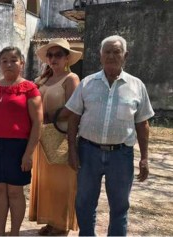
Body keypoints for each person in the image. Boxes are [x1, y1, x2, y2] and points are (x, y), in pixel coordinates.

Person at [66, 35, 154, 236]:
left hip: (121, 156)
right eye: (107, 51)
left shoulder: (136, 86)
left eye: (116, 52)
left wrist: (145, 158)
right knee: (84, 203)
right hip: (88, 152)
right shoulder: (87, 83)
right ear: (100, 56)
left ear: (125, 56)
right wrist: (72, 149)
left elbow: (143, 123)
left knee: (120, 207)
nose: (111, 56)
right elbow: (73, 119)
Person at [0, 46, 43, 236]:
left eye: (13, 60)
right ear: (0, 63)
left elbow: (38, 123)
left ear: (22, 63)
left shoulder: (29, 89)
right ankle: (1, 232)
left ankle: (14, 233)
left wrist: (28, 154)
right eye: (4, 60)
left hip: (17, 147)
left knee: (14, 192)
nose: (9, 64)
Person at [29, 38, 82, 235]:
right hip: (42, 138)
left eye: (58, 54)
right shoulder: (43, 79)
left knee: (62, 183)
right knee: (47, 183)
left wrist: (50, 116)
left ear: (67, 57)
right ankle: (51, 221)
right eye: (50, 55)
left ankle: (61, 224)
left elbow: (74, 108)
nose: (53, 59)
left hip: (61, 137)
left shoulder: (71, 79)